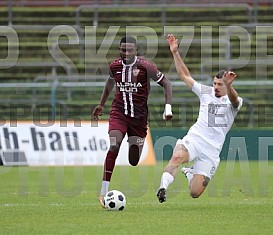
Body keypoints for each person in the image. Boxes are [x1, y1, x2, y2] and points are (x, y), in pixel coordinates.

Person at [156, 34, 243, 202]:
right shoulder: (206, 92)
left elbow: (234, 99)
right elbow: (185, 76)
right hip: (196, 138)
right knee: (176, 157)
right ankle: (162, 188)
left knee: (195, 192)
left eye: (220, 84)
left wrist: (230, 86)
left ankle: (190, 172)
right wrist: (175, 52)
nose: (216, 87)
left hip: (212, 149)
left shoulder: (235, 102)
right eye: (215, 83)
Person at [92, 36, 173, 208]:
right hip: (119, 113)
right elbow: (110, 82)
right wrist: (101, 104)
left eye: (130, 50)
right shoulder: (114, 66)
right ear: (119, 50)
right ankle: (103, 191)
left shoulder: (145, 67)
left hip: (139, 119)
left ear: (136, 51)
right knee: (114, 144)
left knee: (134, 160)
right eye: (123, 49)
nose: (126, 53)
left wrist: (168, 108)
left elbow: (167, 84)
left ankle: (134, 145)